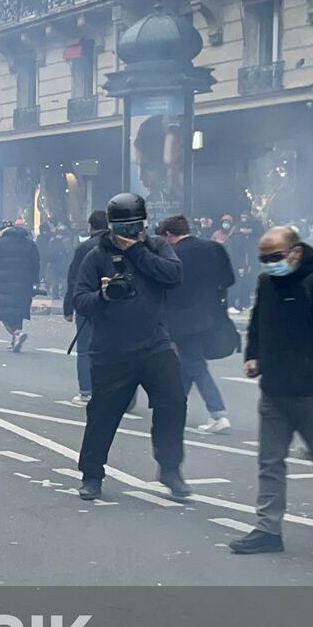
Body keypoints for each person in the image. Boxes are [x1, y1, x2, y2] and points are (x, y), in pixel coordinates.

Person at [72, 193, 191, 502]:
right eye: (123, 229)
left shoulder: (156, 247)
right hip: (111, 349)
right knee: (102, 415)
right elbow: (80, 299)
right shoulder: (96, 255)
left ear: (144, 224)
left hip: (154, 342)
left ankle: (170, 469)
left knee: (174, 402)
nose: (129, 234)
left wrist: (137, 251)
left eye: (135, 227)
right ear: (111, 227)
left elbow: (174, 275)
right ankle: (92, 475)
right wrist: (103, 297)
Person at [230, 227, 313, 554]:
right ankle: (268, 529)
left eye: (275, 257)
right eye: (264, 259)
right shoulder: (266, 283)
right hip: (274, 391)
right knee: (270, 462)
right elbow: (258, 324)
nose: (269, 264)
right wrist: (253, 356)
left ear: (296, 252)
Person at [157, 215, 236, 435]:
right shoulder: (213, 248)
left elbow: (167, 288)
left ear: (168, 235)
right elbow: (229, 279)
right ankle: (174, 407)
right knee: (187, 362)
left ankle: (218, 412)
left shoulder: (173, 254)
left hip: (184, 317)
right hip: (212, 313)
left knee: (194, 363)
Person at [64, 210, 109, 405]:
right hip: (114, 302)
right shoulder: (119, 246)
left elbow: (73, 278)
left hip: (87, 302)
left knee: (85, 349)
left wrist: (68, 306)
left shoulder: (84, 248)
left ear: (90, 226)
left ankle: (86, 391)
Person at [0, 220, 40, 352]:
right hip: (24, 282)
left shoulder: (1, 242)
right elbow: (36, 263)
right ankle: (16, 338)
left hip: (4, 282)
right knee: (18, 311)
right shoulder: (29, 243)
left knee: (2, 312)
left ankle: (16, 333)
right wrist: (35, 281)